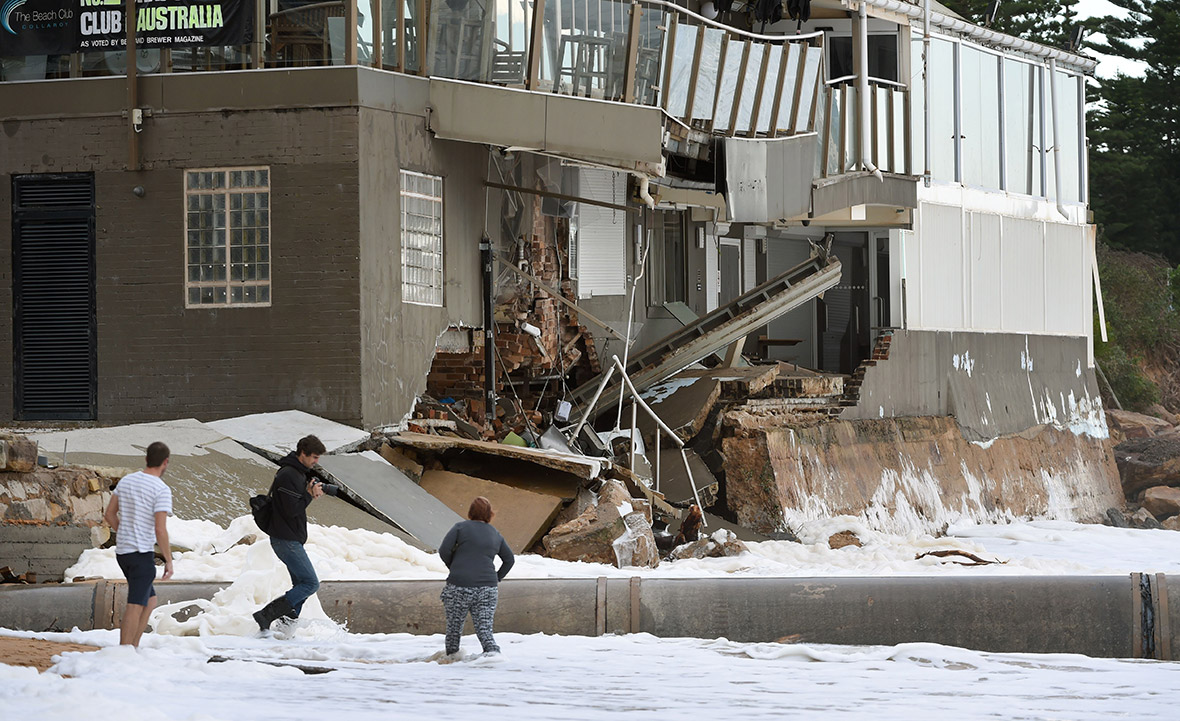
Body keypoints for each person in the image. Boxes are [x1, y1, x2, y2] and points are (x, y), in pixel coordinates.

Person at [253, 434, 336, 631]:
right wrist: (309, 494)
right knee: (310, 583)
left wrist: (307, 491)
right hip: (285, 539)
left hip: (289, 538)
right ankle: (266, 615)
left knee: (301, 585)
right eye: (314, 457)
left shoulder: (297, 473)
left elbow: (293, 506)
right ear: (302, 454)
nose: (316, 462)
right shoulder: (289, 475)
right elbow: (291, 511)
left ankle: (285, 629)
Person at [102, 441, 174, 647]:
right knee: (135, 604)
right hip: (141, 553)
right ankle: (124, 650)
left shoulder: (126, 481)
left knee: (150, 601)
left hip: (123, 553)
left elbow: (109, 514)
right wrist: (169, 560)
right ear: (165, 463)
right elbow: (160, 530)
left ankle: (133, 647)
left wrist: (123, 531)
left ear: (146, 459)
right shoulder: (161, 489)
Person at [438, 497, 515, 656]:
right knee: (485, 631)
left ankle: (451, 667)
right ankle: (494, 661)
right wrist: (496, 578)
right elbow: (509, 560)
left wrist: (455, 567)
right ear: (490, 514)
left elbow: (443, 551)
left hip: (458, 586)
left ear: (470, 512)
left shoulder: (460, 528)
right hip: (487, 589)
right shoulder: (495, 534)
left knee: (453, 632)